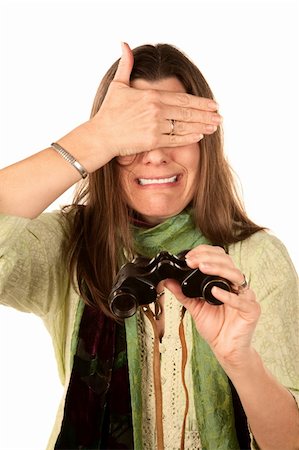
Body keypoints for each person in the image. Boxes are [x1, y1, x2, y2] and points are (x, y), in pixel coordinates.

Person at [0, 42, 298, 450]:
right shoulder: (65, 245)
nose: (155, 154)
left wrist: (240, 362)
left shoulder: (256, 258)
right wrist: (93, 140)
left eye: (173, 129)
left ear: (204, 143)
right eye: (136, 133)